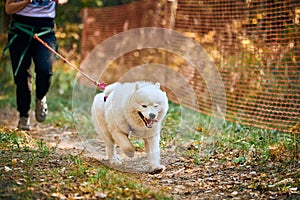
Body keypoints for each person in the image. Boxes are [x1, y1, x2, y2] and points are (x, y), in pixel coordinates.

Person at [4, 0, 68, 130]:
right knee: (21, 75)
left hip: (45, 30)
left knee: (45, 69)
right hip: (20, 29)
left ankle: (41, 97)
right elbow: (8, 8)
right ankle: (23, 115)